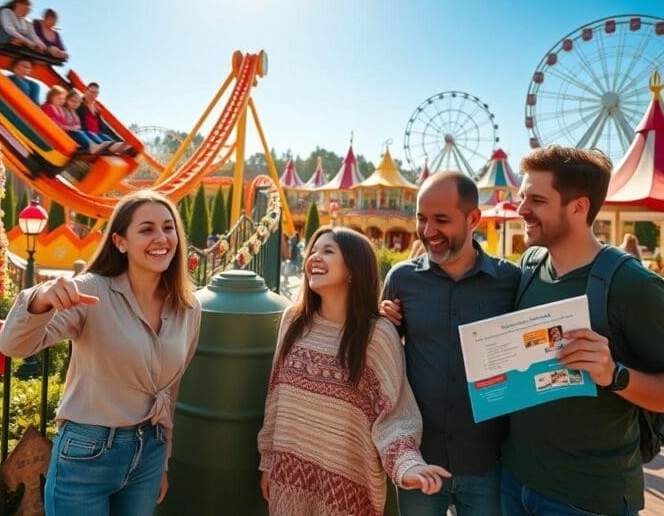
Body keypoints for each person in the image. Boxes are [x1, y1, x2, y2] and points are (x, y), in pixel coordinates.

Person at [0, 189, 201, 515]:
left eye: (168, 227)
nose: (161, 237)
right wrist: (39, 300)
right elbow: (13, 346)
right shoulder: (91, 290)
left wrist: (161, 460)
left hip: (149, 453)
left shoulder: (188, 308)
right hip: (86, 455)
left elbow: (169, 392)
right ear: (120, 242)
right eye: (146, 229)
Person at [502, 145, 664, 516]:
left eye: (537, 200)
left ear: (579, 207)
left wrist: (614, 375)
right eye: (523, 196)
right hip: (515, 479)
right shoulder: (530, 263)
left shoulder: (633, 286)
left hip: (587, 496)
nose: (521, 209)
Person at [258, 226, 451, 516]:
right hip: (289, 480)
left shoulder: (378, 335)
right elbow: (275, 397)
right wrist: (268, 462)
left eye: (328, 251)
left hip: (345, 491)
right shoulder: (294, 321)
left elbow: (395, 416)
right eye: (314, 250)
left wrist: (408, 465)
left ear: (353, 269)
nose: (314, 257)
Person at [380, 171, 520, 516]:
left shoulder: (511, 282)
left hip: (488, 461)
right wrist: (380, 323)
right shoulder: (401, 280)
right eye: (421, 219)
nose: (428, 232)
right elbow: (383, 359)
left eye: (441, 220)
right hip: (419, 460)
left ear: (474, 219)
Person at [42, 85, 110, 155]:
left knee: (87, 133)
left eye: (63, 99)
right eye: (59, 98)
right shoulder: (48, 107)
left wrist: (73, 127)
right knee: (78, 133)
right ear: (51, 96)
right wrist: (71, 128)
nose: (62, 100)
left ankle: (103, 145)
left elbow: (76, 124)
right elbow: (55, 123)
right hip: (58, 132)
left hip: (65, 131)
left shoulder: (61, 109)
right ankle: (92, 146)